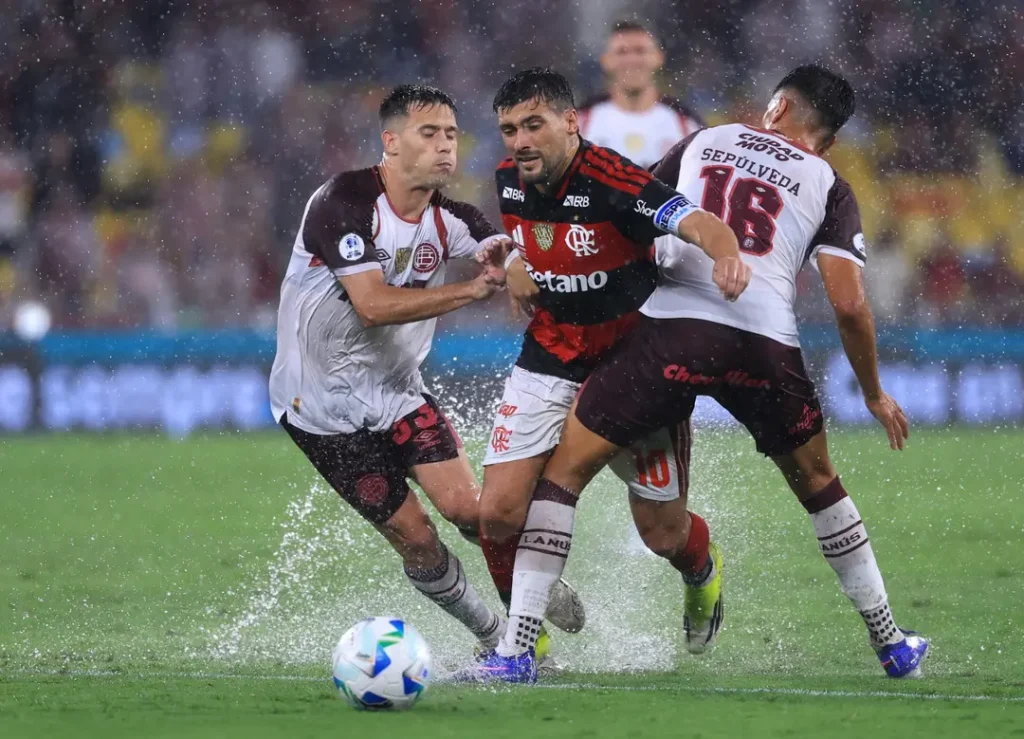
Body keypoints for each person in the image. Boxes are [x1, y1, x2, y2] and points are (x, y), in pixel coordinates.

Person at [480, 65, 928, 682]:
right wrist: (874, 393)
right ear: (828, 136)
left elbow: (645, 217)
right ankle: (891, 643)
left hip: (671, 335)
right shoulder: (829, 181)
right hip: (765, 342)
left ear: (775, 107)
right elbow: (849, 305)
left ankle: (515, 655)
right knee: (820, 483)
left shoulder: (705, 140)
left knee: (563, 477)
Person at [267, 84, 582, 655]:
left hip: (399, 394)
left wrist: (511, 263)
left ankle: (531, 591)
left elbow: (497, 248)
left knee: (474, 511)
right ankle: (492, 634)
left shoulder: (451, 217)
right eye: (428, 133)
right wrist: (471, 289)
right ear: (390, 142)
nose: (445, 147)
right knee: (418, 539)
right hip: (320, 412)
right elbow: (372, 305)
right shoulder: (342, 202)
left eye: (452, 135)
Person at [474, 68, 747, 658]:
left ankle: (702, 571)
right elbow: (533, 237)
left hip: (634, 370)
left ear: (571, 122)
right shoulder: (508, 181)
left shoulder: (616, 182)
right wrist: (518, 259)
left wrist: (727, 256)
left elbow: (695, 220)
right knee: (496, 514)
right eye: (508, 130)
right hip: (549, 354)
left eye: (533, 125)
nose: (520, 141)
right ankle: (528, 639)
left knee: (663, 533)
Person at [578, 20, 703, 169]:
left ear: (658, 57)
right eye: (622, 52)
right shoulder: (579, 125)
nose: (632, 60)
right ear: (606, 61)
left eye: (640, 50)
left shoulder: (686, 126)